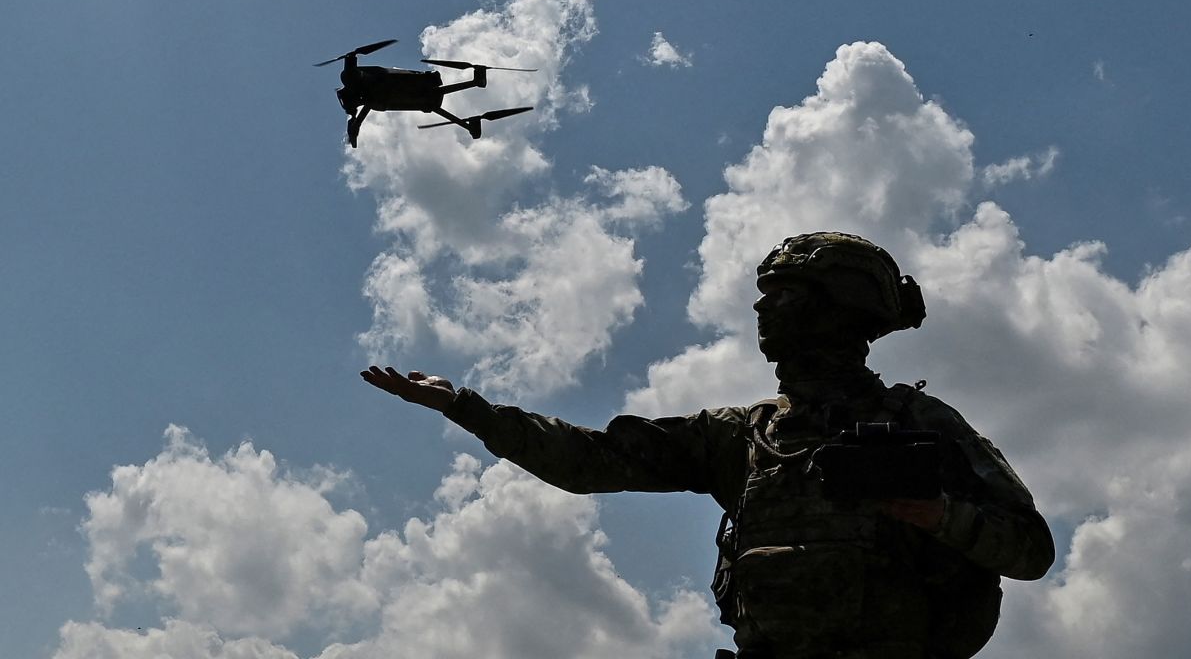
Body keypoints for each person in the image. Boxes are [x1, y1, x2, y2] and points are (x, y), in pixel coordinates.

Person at [361, 232, 1055, 659]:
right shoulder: (742, 435)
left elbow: (1030, 549)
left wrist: (937, 517)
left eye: (784, 294)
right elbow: (590, 461)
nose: (762, 308)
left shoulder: (922, 421)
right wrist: (467, 408)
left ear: (836, 305)